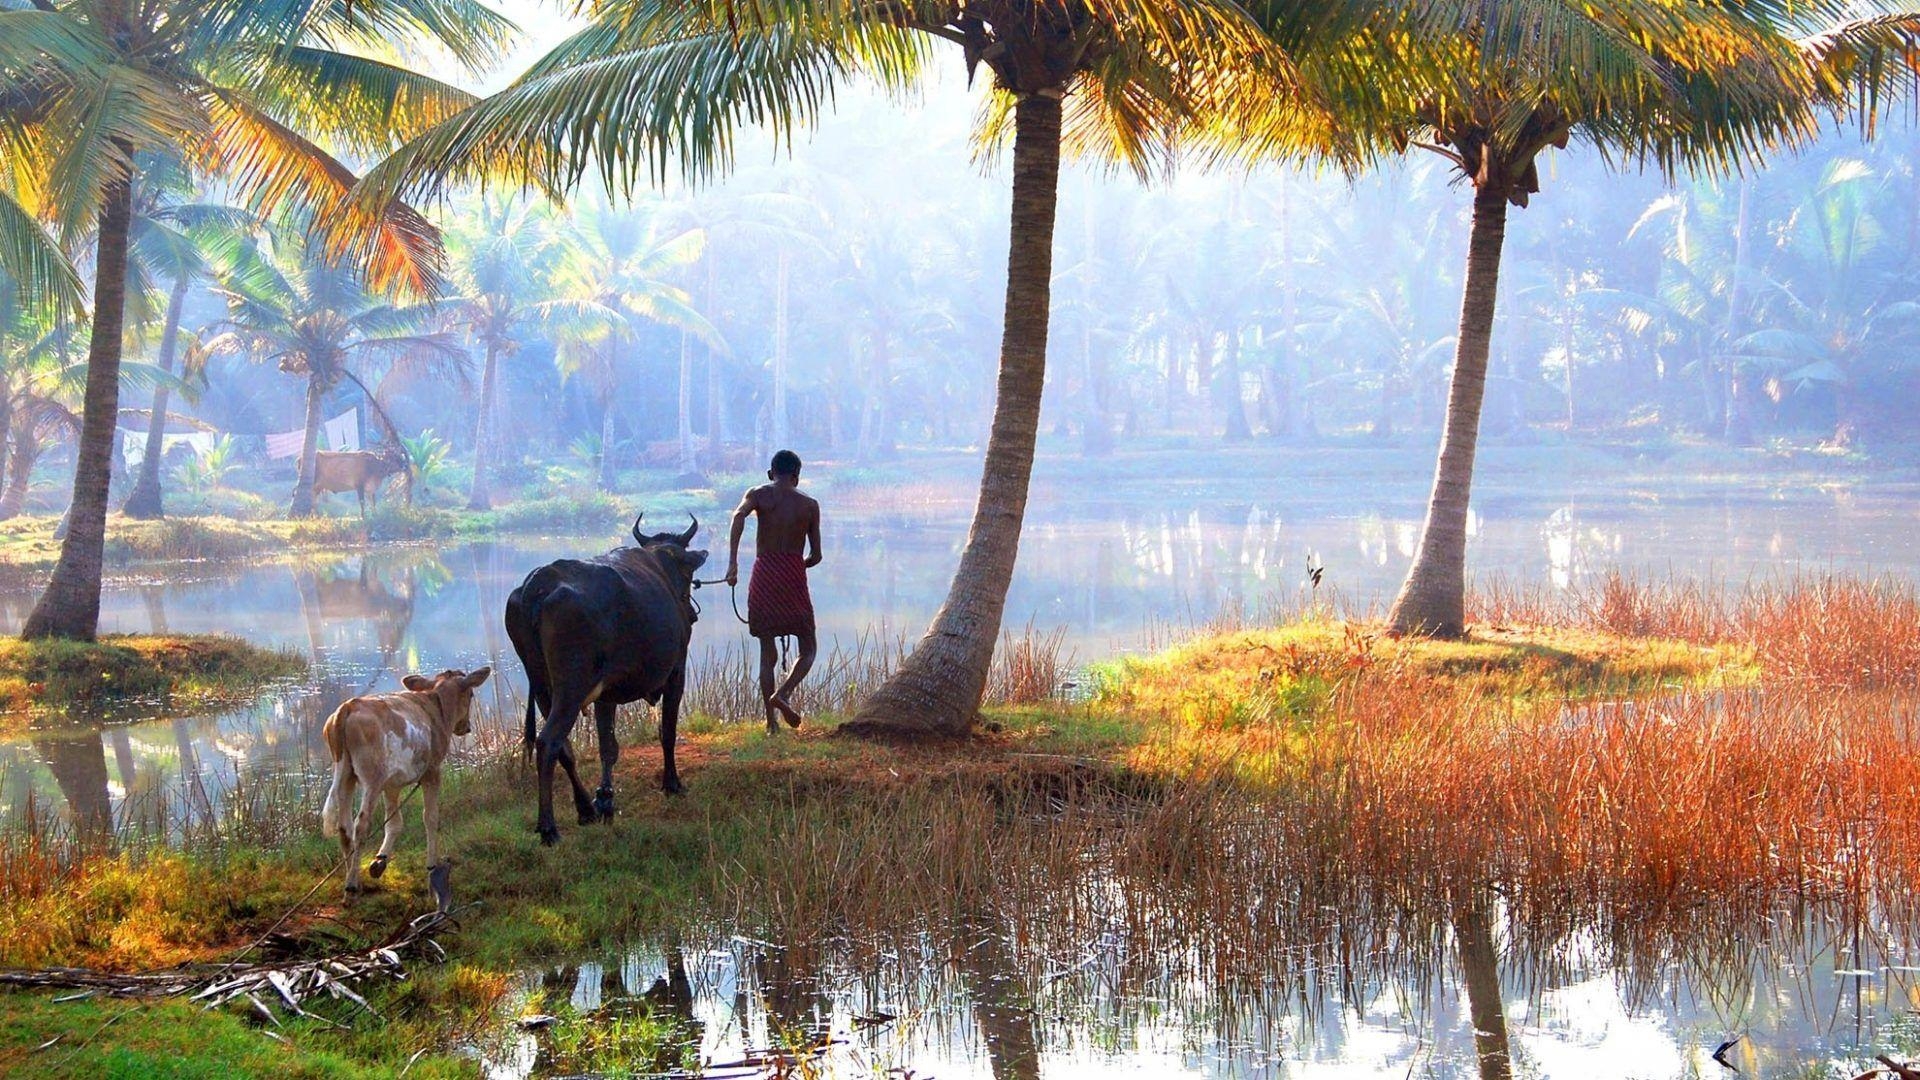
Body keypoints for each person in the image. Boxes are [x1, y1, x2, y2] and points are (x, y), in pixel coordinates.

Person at [725, 450, 821, 732]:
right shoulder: (810, 505)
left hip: (764, 573)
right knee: (809, 648)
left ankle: (771, 725)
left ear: (770, 473)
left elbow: (738, 516)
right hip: (793, 574)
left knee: (767, 653)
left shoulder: (758, 494)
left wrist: (733, 564)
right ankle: (784, 693)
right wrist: (795, 566)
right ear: (797, 477)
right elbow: (816, 556)